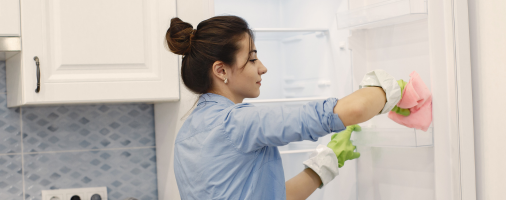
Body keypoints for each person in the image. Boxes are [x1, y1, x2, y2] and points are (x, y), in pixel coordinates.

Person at [165, 16, 402, 200]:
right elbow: (355, 110)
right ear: (221, 71)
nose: (262, 68)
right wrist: (396, 89)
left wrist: (326, 163)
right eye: (252, 58)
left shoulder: (185, 135)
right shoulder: (238, 122)